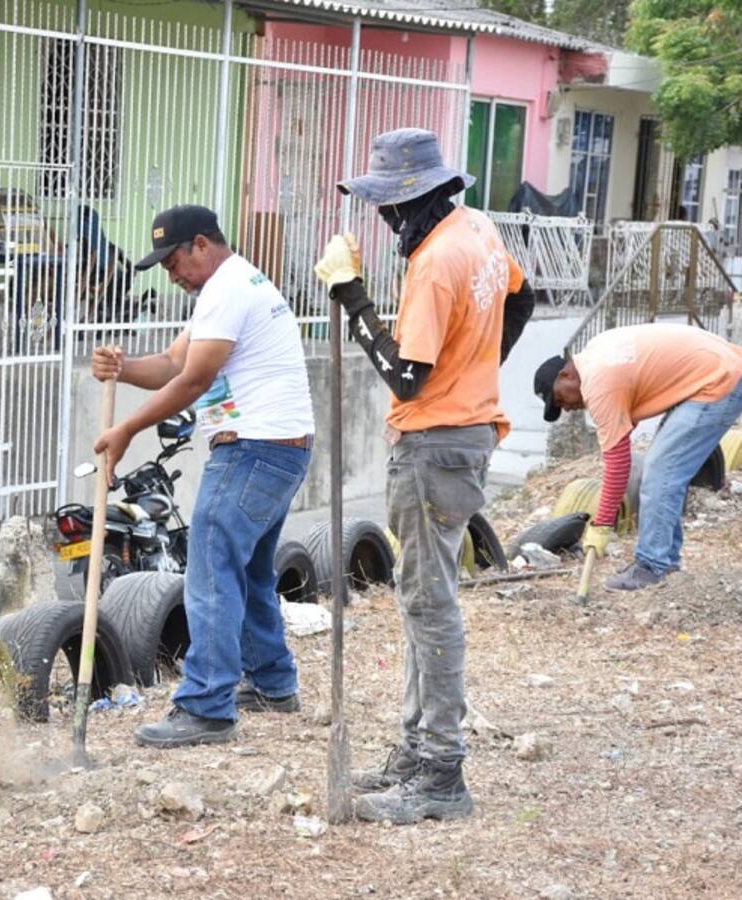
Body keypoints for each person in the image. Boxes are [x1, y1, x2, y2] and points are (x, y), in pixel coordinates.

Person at [314, 128, 535, 824]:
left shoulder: (437, 262)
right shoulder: (478, 229)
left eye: (388, 209)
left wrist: (350, 295)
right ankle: (416, 753)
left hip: (434, 443)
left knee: (430, 602)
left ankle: (441, 771)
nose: (384, 222)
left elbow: (406, 378)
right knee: (421, 598)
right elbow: (522, 301)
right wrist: (475, 372)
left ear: (411, 201)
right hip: (467, 433)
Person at [91, 204, 315, 748]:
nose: (171, 275)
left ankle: (207, 706)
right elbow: (172, 365)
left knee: (211, 567)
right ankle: (272, 683)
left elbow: (193, 381)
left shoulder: (228, 288)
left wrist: (127, 429)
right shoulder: (231, 286)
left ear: (201, 245)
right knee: (249, 572)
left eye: (173, 262)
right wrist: (123, 368)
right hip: (276, 447)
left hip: (254, 448)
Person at [534, 323, 742, 590]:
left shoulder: (598, 384)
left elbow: (619, 464)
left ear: (566, 374)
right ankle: (666, 561)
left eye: (559, 400)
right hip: (716, 368)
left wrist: (602, 524)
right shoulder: (597, 355)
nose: (566, 409)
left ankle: (652, 566)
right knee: (664, 470)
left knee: (660, 472)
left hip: (717, 378)